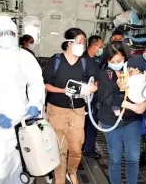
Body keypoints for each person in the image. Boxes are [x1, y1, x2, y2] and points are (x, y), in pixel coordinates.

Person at [0, 16, 45, 184]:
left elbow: (36, 82)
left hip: (22, 123)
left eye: (10, 33)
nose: (7, 36)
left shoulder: (25, 57)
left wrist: (34, 103)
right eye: (2, 33)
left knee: (20, 166)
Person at [43, 28, 97, 184]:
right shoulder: (56, 60)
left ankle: (71, 170)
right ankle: (58, 179)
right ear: (69, 43)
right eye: (80, 42)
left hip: (78, 111)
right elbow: (46, 85)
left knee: (76, 147)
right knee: (59, 147)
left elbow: (95, 83)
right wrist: (64, 91)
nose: (82, 45)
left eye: (84, 42)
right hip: (57, 109)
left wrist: (90, 89)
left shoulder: (86, 62)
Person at [96, 41, 146, 184]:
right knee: (115, 159)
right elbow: (107, 97)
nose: (116, 63)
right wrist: (131, 105)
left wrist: (145, 103)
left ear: (125, 57)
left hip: (132, 120)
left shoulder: (133, 71)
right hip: (111, 120)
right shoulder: (104, 73)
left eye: (119, 60)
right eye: (112, 61)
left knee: (133, 157)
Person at [82, 35, 103, 159]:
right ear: (94, 46)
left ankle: (89, 149)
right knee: (81, 125)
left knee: (93, 122)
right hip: (82, 97)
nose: (101, 49)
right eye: (100, 46)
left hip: (94, 98)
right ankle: (78, 149)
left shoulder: (98, 60)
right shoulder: (81, 59)